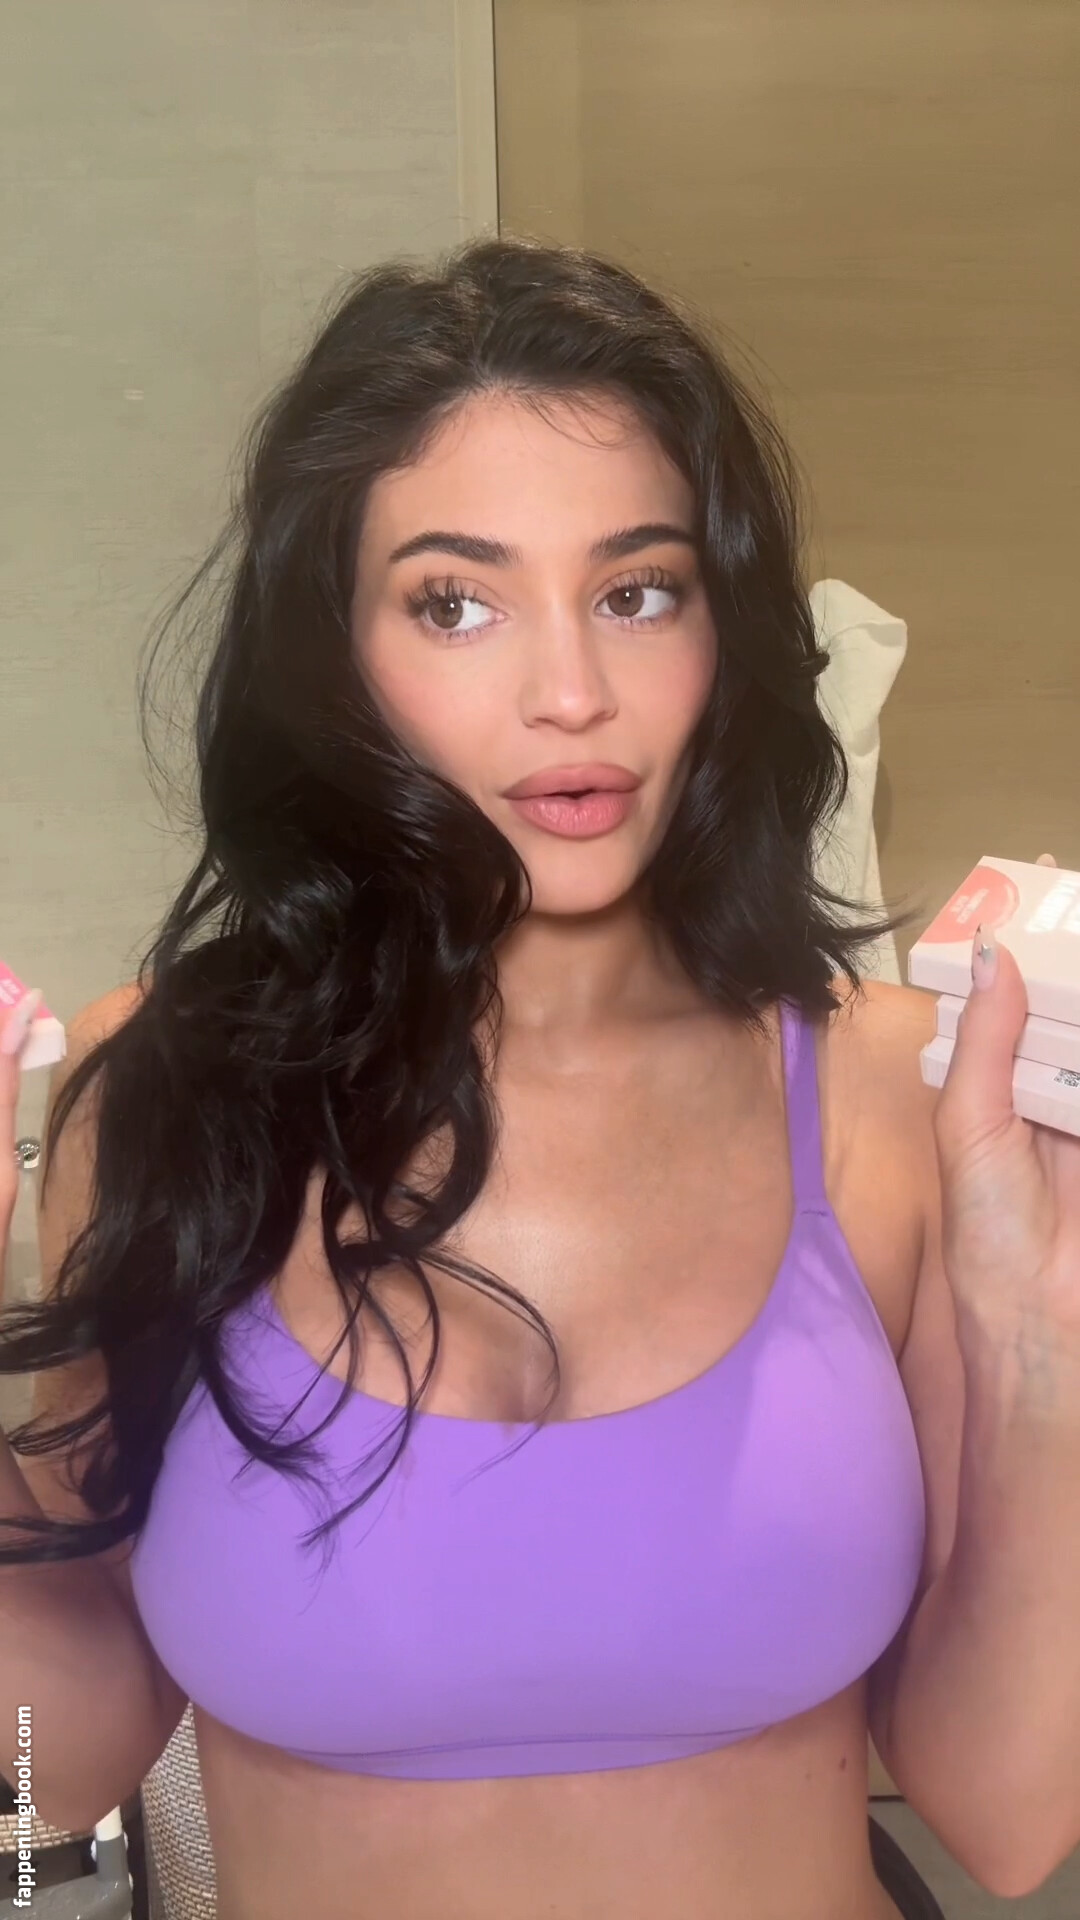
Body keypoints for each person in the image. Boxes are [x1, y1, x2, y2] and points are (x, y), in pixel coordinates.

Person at [1, 236, 1078, 1920]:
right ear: (333, 651)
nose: (572, 694)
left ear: (722, 624)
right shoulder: (171, 1087)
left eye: (638, 591)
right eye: (456, 601)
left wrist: (1042, 1354)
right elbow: (40, 1777)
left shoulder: (885, 1094)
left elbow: (1006, 1823)